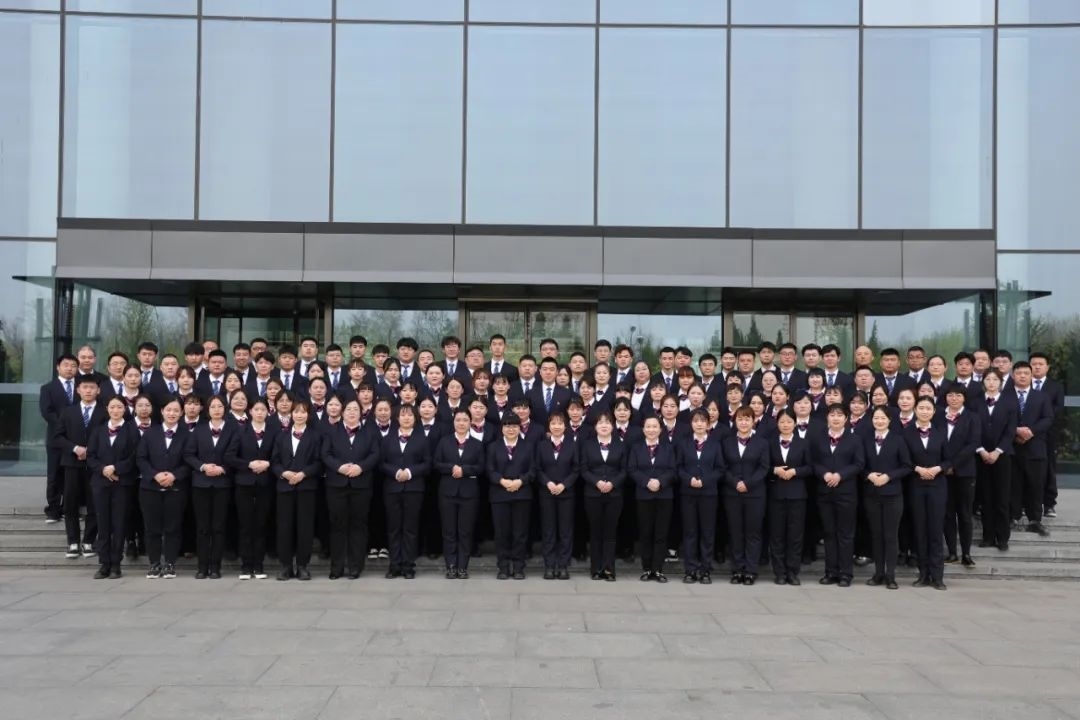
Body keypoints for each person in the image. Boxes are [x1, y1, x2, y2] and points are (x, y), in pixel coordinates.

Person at [811, 403, 865, 587]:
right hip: (825, 492)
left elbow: (859, 464)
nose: (835, 418)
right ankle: (831, 572)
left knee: (845, 534)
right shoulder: (818, 438)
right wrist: (824, 473)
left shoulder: (855, 439)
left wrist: (840, 475)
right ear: (827, 417)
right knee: (829, 533)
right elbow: (813, 461)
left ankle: (845, 573)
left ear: (846, 418)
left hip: (846, 493)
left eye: (840, 415)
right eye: (832, 414)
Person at [53, 375, 107, 558]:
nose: (88, 390)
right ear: (78, 390)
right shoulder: (68, 412)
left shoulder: (105, 412)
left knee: (95, 503)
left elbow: (108, 437)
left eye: (92, 387)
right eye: (85, 387)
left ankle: (89, 541)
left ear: (98, 390)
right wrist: (75, 448)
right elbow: (58, 437)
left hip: (95, 466)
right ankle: (73, 542)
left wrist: (90, 450)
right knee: (70, 503)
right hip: (72, 463)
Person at [86, 395, 140, 578]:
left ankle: (116, 564)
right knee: (103, 524)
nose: (115, 410)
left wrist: (116, 468)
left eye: (119, 407)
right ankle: (104, 564)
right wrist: (103, 469)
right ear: (107, 409)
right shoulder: (98, 430)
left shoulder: (132, 430)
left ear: (125, 409)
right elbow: (91, 456)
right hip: (100, 483)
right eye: (112, 407)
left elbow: (135, 456)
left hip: (122, 483)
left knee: (119, 523)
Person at [185, 395, 238, 579]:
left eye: (220, 406)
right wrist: (203, 467)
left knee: (218, 526)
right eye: (213, 406)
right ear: (207, 410)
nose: (216, 409)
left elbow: (235, 454)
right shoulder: (198, 430)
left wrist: (223, 468)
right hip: (201, 484)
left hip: (222, 484)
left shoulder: (232, 430)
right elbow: (189, 454)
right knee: (202, 527)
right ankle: (202, 566)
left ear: (225, 409)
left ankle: (215, 566)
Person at [136, 398, 190, 579]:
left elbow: (189, 460)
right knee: (152, 528)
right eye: (168, 410)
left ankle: (170, 563)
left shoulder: (187, 434)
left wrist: (174, 475)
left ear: (181, 413)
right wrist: (155, 475)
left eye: (176, 410)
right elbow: (141, 458)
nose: (172, 413)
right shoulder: (150, 433)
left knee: (173, 528)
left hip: (176, 489)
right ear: (162, 411)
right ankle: (154, 563)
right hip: (150, 488)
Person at [272, 399, 322, 581]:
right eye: (296, 411)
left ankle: (302, 566)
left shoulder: (315, 436)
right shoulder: (281, 436)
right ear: (291, 414)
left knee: (305, 527)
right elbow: (274, 461)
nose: (299, 415)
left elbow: (318, 461)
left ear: (308, 415)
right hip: (284, 487)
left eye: (303, 412)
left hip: (306, 487)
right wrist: (283, 473)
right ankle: (286, 566)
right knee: (284, 527)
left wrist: (303, 474)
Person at [863, 406, 912, 589]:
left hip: (892, 494)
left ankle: (890, 576)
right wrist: (868, 475)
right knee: (876, 535)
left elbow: (907, 466)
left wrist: (889, 476)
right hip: (871, 494)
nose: (879, 421)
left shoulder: (898, 440)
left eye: (883, 418)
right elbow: (859, 464)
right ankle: (878, 573)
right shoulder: (865, 440)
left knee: (891, 535)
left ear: (889, 420)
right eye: (876, 418)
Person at [905, 397, 951, 590]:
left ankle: (938, 576)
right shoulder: (906, 433)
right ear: (915, 410)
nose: (924, 411)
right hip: (916, 485)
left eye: (928, 408)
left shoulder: (940, 433)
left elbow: (948, 459)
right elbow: (903, 459)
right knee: (920, 530)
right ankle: (923, 574)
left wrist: (937, 468)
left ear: (933, 412)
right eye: (921, 408)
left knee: (935, 530)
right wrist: (917, 469)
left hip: (937, 486)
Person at [379, 404, 430, 579]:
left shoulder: (422, 439)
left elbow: (427, 463)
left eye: (410, 415)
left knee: (410, 528)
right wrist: (395, 472)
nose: (406, 418)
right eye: (403, 415)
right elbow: (381, 462)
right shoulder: (387, 439)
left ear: (415, 419)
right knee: (393, 528)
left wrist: (409, 472)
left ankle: (408, 565)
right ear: (397, 418)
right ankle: (394, 565)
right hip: (392, 489)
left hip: (414, 489)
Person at [722, 407, 770, 585]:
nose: (743, 422)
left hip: (755, 494)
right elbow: (723, 466)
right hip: (732, 493)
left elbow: (764, 467)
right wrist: (735, 482)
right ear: (735, 421)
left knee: (753, 532)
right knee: (735, 532)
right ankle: (737, 569)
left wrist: (748, 483)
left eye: (747, 419)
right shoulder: (727, 442)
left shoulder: (762, 442)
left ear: (753, 421)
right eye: (740, 419)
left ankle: (750, 570)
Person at [434, 408, 484, 579]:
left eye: (465, 420)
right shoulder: (444, 441)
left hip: (469, 493)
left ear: (470, 422)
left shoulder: (477, 444)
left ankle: (463, 566)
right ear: (453, 422)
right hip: (447, 492)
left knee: (465, 532)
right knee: (449, 531)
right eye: (458, 420)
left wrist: (464, 470)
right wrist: (451, 468)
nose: (461, 423)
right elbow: (437, 463)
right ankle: (451, 566)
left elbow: (481, 466)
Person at [231, 397, 276, 579]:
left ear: (268, 412)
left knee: (261, 524)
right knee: (245, 525)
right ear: (250, 412)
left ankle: (258, 565)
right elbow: (230, 456)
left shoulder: (273, 432)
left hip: (265, 483)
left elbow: (280, 456)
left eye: (263, 410)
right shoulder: (240, 431)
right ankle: (246, 565)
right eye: (256, 409)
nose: (259, 412)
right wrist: (248, 464)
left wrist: (268, 463)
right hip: (244, 483)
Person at [678, 409, 724, 584]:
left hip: (708, 494)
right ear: (691, 423)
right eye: (696, 420)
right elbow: (678, 467)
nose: (699, 424)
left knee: (707, 532)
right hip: (688, 493)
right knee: (690, 531)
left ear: (708, 424)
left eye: (703, 421)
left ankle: (705, 569)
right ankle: (690, 569)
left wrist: (705, 480)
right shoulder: (683, 443)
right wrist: (689, 479)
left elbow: (720, 469)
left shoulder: (715, 444)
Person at [630, 417, 677, 583]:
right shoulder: (636, 448)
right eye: (648, 426)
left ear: (660, 430)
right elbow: (632, 469)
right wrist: (646, 482)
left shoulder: (668, 448)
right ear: (643, 429)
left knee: (661, 533)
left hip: (664, 496)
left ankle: (658, 569)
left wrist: (660, 482)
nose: (651, 429)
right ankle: (647, 568)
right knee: (646, 533)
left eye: (655, 426)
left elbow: (673, 470)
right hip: (644, 495)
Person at [487, 415, 534, 579]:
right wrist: (502, 481)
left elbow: (533, 469)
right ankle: (503, 567)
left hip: (522, 494)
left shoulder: (528, 446)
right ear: (502, 429)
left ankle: (519, 567)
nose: (511, 429)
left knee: (520, 533)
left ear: (519, 428)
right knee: (502, 533)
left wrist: (520, 481)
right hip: (499, 495)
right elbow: (489, 469)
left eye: (514, 426)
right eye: (507, 426)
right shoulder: (493, 447)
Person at [767, 409, 811, 586]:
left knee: (795, 535)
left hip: (797, 495)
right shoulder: (770, 443)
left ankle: (792, 571)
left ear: (795, 423)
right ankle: (779, 572)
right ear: (777, 423)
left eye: (789, 421)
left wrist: (796, 471)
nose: (785, 425)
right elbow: (763, 466)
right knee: (776, 535)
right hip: (776, 494)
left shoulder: (804, 443)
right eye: (782, 422)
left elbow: (810, 467)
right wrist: (774, 470)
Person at [580, 412, 626, 581]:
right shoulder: (587, 445)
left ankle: (609, 569)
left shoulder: (621, 445)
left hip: (614, 494)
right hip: (593, 493)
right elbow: (584, 469)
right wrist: (596, 482)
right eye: (600, 422)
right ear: (595, 426)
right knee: (595, 531)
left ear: (613, 426)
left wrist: (612, 483)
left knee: (610, 532)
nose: (604, 425)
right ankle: (596, 568)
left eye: (607, 422)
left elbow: (624, 470)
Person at [976, 370, 1018, 551]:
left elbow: (1011, 431)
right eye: (988, 379)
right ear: (983, 381)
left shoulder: (1010, 403)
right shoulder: (975, 403)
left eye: (995, 379)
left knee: (1002, 498)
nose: (991, 382)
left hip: (1002, 455)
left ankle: (1002, 538)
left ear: (1001, 382)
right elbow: (972, 429)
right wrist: (981, 450)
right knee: (986, 498)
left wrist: (997, 451)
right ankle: (987, 536)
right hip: (981, 456)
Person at [1010, 361, 1054, 537]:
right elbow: (999, 418)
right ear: (1013, 375)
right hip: (1011, 447)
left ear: (1031, 376)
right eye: (1019, 373)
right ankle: (1012, 517)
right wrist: (1016, 431)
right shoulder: (1005, 396)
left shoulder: (1041, 397)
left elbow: (1048, 418)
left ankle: (1035, 520)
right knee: (1012, 484)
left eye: (1026, 373)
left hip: (1035, 447)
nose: (1022, 376)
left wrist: (1031, 431)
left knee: (1036, 485)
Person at [534, 411, 579, 579]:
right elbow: (537, 468)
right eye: (553, 423)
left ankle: (563, 565)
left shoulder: (572, 445)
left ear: (565, 426)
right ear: (549, 426)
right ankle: (549, 565)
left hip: (566, 493)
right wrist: (548, 483)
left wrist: (564, 485)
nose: (557, 426)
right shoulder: (541, 446)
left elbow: (576, 469)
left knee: (565, 531)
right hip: (547, 493)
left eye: (560, 423)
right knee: (549, 530)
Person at [942, 384, 981, 568]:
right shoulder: (938, 416)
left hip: (965, 472)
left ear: (964, 398)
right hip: (943, 473)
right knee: (947, 513)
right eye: (950, 395)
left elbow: (972, 444)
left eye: (958, 395)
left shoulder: (972, 417)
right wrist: (945, 466)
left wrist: (953, 464)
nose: (954, 398)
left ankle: (966, 553)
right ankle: (952, 552)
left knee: (965, 513)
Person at [39, 353, 78, 523]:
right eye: (66, 365)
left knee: (72, 475)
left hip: (77, 439)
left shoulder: (82, 387)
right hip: (56, 438)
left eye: (73, 366)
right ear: (58, 367)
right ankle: (53, 509)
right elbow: (47, 412)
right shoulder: (48, 388)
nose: (70, 368)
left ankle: (69, 508)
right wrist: (65, 425)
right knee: (54, 474)